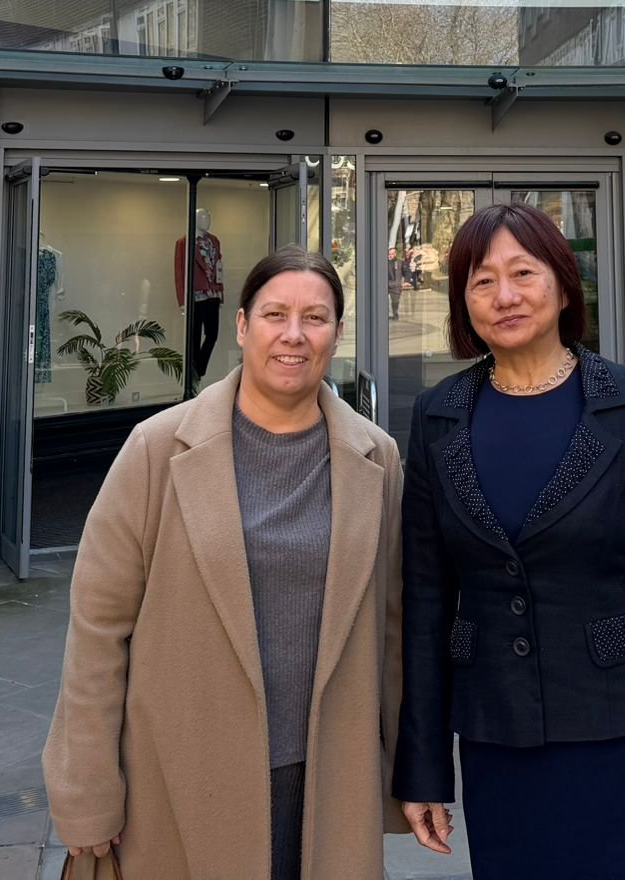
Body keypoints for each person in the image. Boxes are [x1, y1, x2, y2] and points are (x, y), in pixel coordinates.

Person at [43, 246, 405, 880]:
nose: (294, 335)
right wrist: (87, 790)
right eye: (275, 314)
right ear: (241, 326)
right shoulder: (156, 450)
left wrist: (410, 771)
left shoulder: (377, 458)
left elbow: (397, 628)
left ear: (338, 335)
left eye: (316, 317)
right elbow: (98, 632)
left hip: (327, 776)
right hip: (182, 781)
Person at [394, 203, 625, 879]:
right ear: (462, 302)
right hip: (499, 738)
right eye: (482, 281)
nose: (506, 296)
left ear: (563, 284)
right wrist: (423, 766)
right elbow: (427, 603)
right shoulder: (438, 417)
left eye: (524, 272)